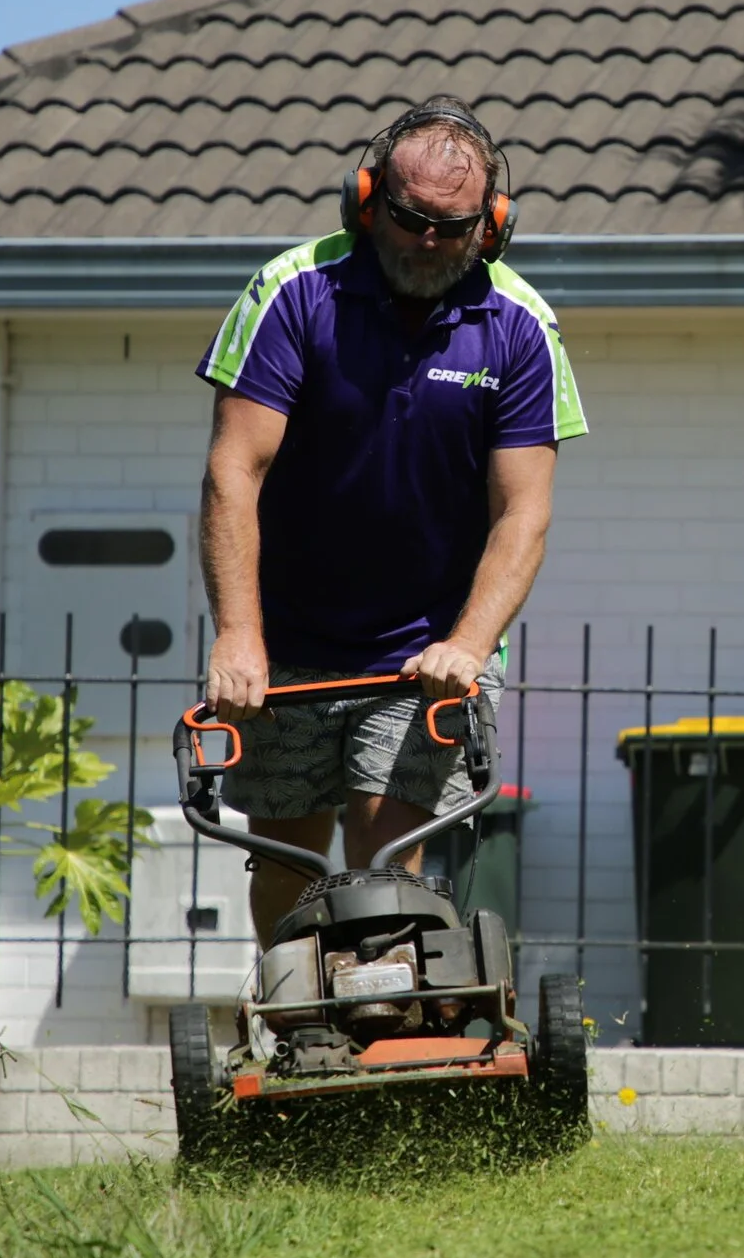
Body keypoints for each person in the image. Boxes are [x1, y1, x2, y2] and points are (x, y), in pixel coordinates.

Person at [195, 97, 586, 944]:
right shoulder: (294, 293)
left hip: (425, 650)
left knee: (383, 858)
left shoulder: (521, 326)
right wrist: (237, 634)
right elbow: (235, 470)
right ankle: (296, 1023)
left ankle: (379, 1040)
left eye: (455, 226)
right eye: (410, 219)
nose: (430, 242)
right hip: (287, 639)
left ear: (494, 224)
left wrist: (469, 647)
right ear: (366, 199)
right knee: (289, 861)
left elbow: (524, 512)